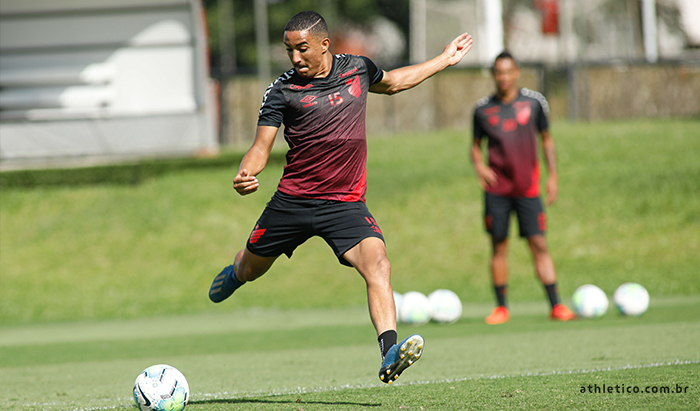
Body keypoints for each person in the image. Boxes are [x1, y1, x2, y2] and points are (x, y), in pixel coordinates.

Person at [208, 11, 473, 383]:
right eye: (289, 50)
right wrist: (246, 172)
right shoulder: (282, 90)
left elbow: (395, 82)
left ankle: (389, 353)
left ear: (324, 44)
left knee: (378, 264)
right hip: (292, 203)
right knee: (251, 270)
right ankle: (237, 270)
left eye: (302, 49)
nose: (295, 57)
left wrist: (444, 59)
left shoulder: (357, 69)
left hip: (344, 204)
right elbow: (260, 146)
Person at [470, 51, 575, 325]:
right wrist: (480, 167)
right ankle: (501, 308)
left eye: (508, 72)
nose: (503, 77)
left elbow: (547, 139)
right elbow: (475, 147)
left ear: (517, 72)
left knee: (538, 243)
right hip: (497, 190)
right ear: (493, 75)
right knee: (499, 246)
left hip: (528, 188)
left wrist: (553, 176)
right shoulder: (482, 109)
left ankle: (556, 305)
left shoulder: (535, 102)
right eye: (498, 72)